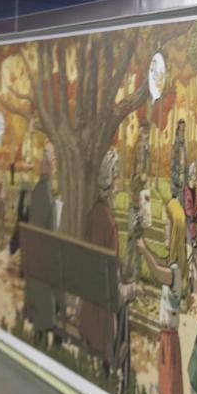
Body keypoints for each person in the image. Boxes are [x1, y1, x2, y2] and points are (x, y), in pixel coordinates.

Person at [137, 200, 188, 394]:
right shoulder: (173, 265)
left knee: (169, 380)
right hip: (166, 334)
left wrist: (144, 252)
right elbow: (160, 261)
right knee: (166, 376)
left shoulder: (175, 272)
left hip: (169, 335)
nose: (165, 233)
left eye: (168, 229)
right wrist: (147, 248)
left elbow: (158, 273)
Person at [81, 149, 121, 375]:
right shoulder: (109, 222)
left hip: (89, 298)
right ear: (111, 182)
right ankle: (110, 361)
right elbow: (114, 270)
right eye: (117, 178)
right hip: (103, 303)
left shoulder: (93, 214)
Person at [24, 142, 59, 345]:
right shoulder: (46, 194)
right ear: (49, 165)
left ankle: (42, 330)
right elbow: (50, 234)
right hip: (44, 263)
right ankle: (48, 329)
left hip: (35, 258)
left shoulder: (38, 189)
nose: (55, 165)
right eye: (53, 161)